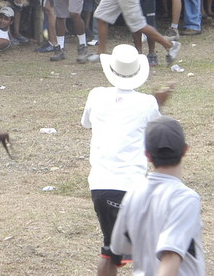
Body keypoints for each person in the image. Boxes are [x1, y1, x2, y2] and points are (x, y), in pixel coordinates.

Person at [81, 44, 172, 276]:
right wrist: (158, 101)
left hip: (100, 185)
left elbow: (87, 123)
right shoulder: (148, 103)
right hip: (132, 187)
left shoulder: (96, 95)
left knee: (110, 251)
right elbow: (155, 128)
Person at [111, 116, 205, 276]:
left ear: (147, 154)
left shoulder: (133, 194)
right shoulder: (185, 198)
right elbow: (170, 258)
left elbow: (120, 247)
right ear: (185, 150)